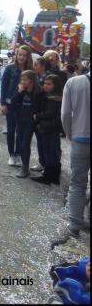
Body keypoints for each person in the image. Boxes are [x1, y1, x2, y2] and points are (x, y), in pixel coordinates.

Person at [60, 70, 90, 237]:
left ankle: (74, 224)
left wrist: (69, 133)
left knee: (77, 183)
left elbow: (65, 114)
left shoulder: (73, 82)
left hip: (80, 138)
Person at [0, 45, 34, 167]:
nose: (22, 57)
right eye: (20, 54)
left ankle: (18, 154)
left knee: (21, 132)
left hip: (24, 105)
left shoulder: (31, 70)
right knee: (10, 131)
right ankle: (11, 155)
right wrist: (3, 104)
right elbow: (3, 87)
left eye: (24, 55)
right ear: (16, 55)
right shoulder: (9, 68)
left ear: (28, 57)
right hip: (10, 104)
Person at [31, 74, 64, 185]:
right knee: (52, 152)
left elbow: (50, 113)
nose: (45, 86)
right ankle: (54, 176)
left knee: (49, 152)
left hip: (49, 127)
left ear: (55, 85)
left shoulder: (54, 98)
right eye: (44, 83)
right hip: (50, 127)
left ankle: (48, 177)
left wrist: (38, 116)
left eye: (49, 84)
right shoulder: (49, 95)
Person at [11, 70, 42, 178]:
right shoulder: (21, 90)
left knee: (25, 143)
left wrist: (36, 117)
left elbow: (39, 107)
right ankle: (24, 166)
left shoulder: (38, 92)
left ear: (32, 80)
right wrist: (20, 92)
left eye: (25, 80)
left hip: (30, 121)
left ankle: (25, 167)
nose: (22, 82)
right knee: (20, 142)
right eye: (22, 79)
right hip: (20, 120)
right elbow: (13, 102)